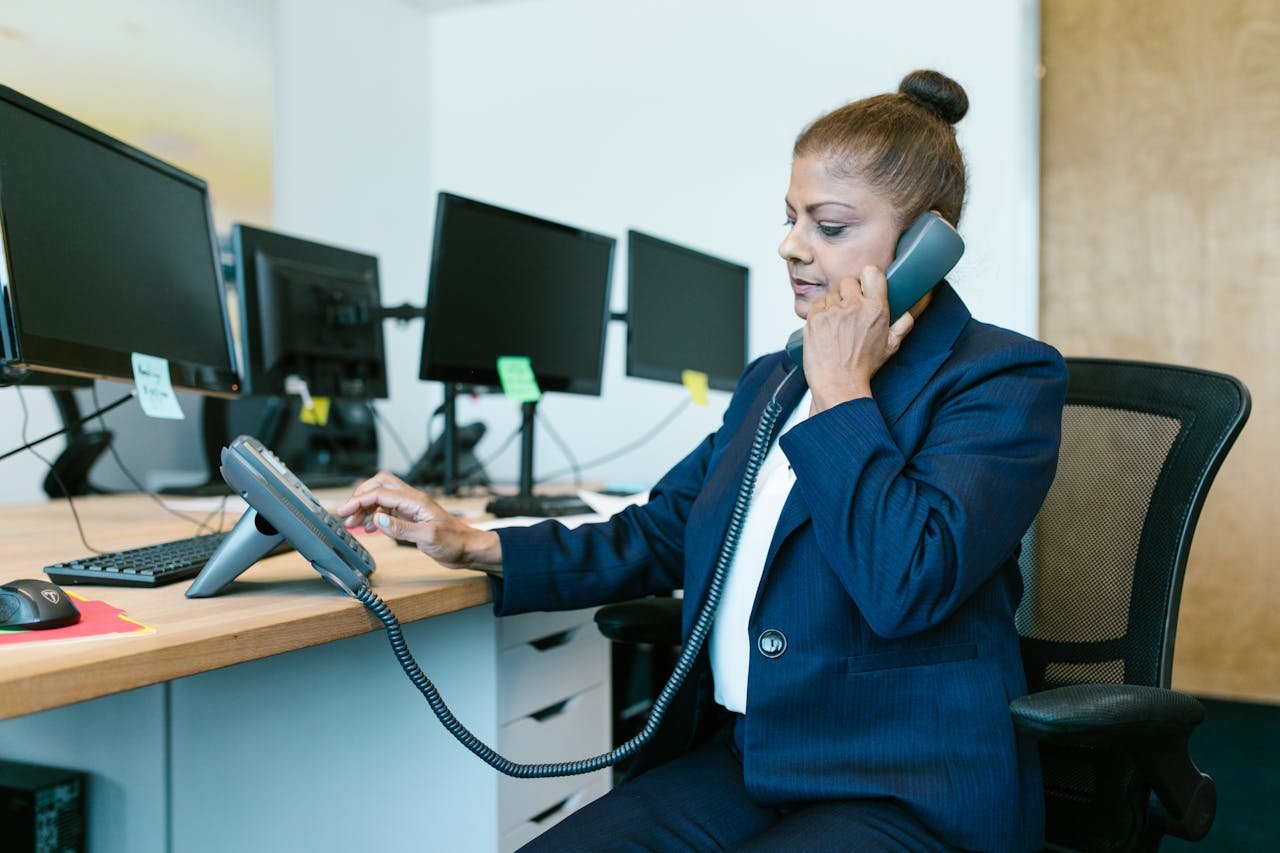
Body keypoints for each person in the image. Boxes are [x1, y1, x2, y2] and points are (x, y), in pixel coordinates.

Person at [339, 69, 1066, 851]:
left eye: (827, 225)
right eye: (789, 218)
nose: (790, 246)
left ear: (926, 242)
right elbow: (662, 531)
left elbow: (906, 584)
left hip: (908, 785)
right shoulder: (772, 381)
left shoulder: (999, 378)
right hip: (752, 760)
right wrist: (471, 541)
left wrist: (842, 389)